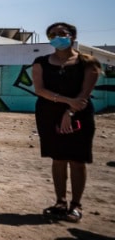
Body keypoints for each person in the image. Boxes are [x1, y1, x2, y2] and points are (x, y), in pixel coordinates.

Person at [32, 22, 101, 223]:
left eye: (62, 33)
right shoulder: (41, 62)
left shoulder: (88, 63)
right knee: (58, 159)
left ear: (72, 36)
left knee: (77, 160)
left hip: (79, 114)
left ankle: (76, 205)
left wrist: (69, 112)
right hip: (48, 115)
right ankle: (60, 202)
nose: (57, 37)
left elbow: (84, 95)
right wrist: (66, 101)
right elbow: (40, 90)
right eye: (52, 34)